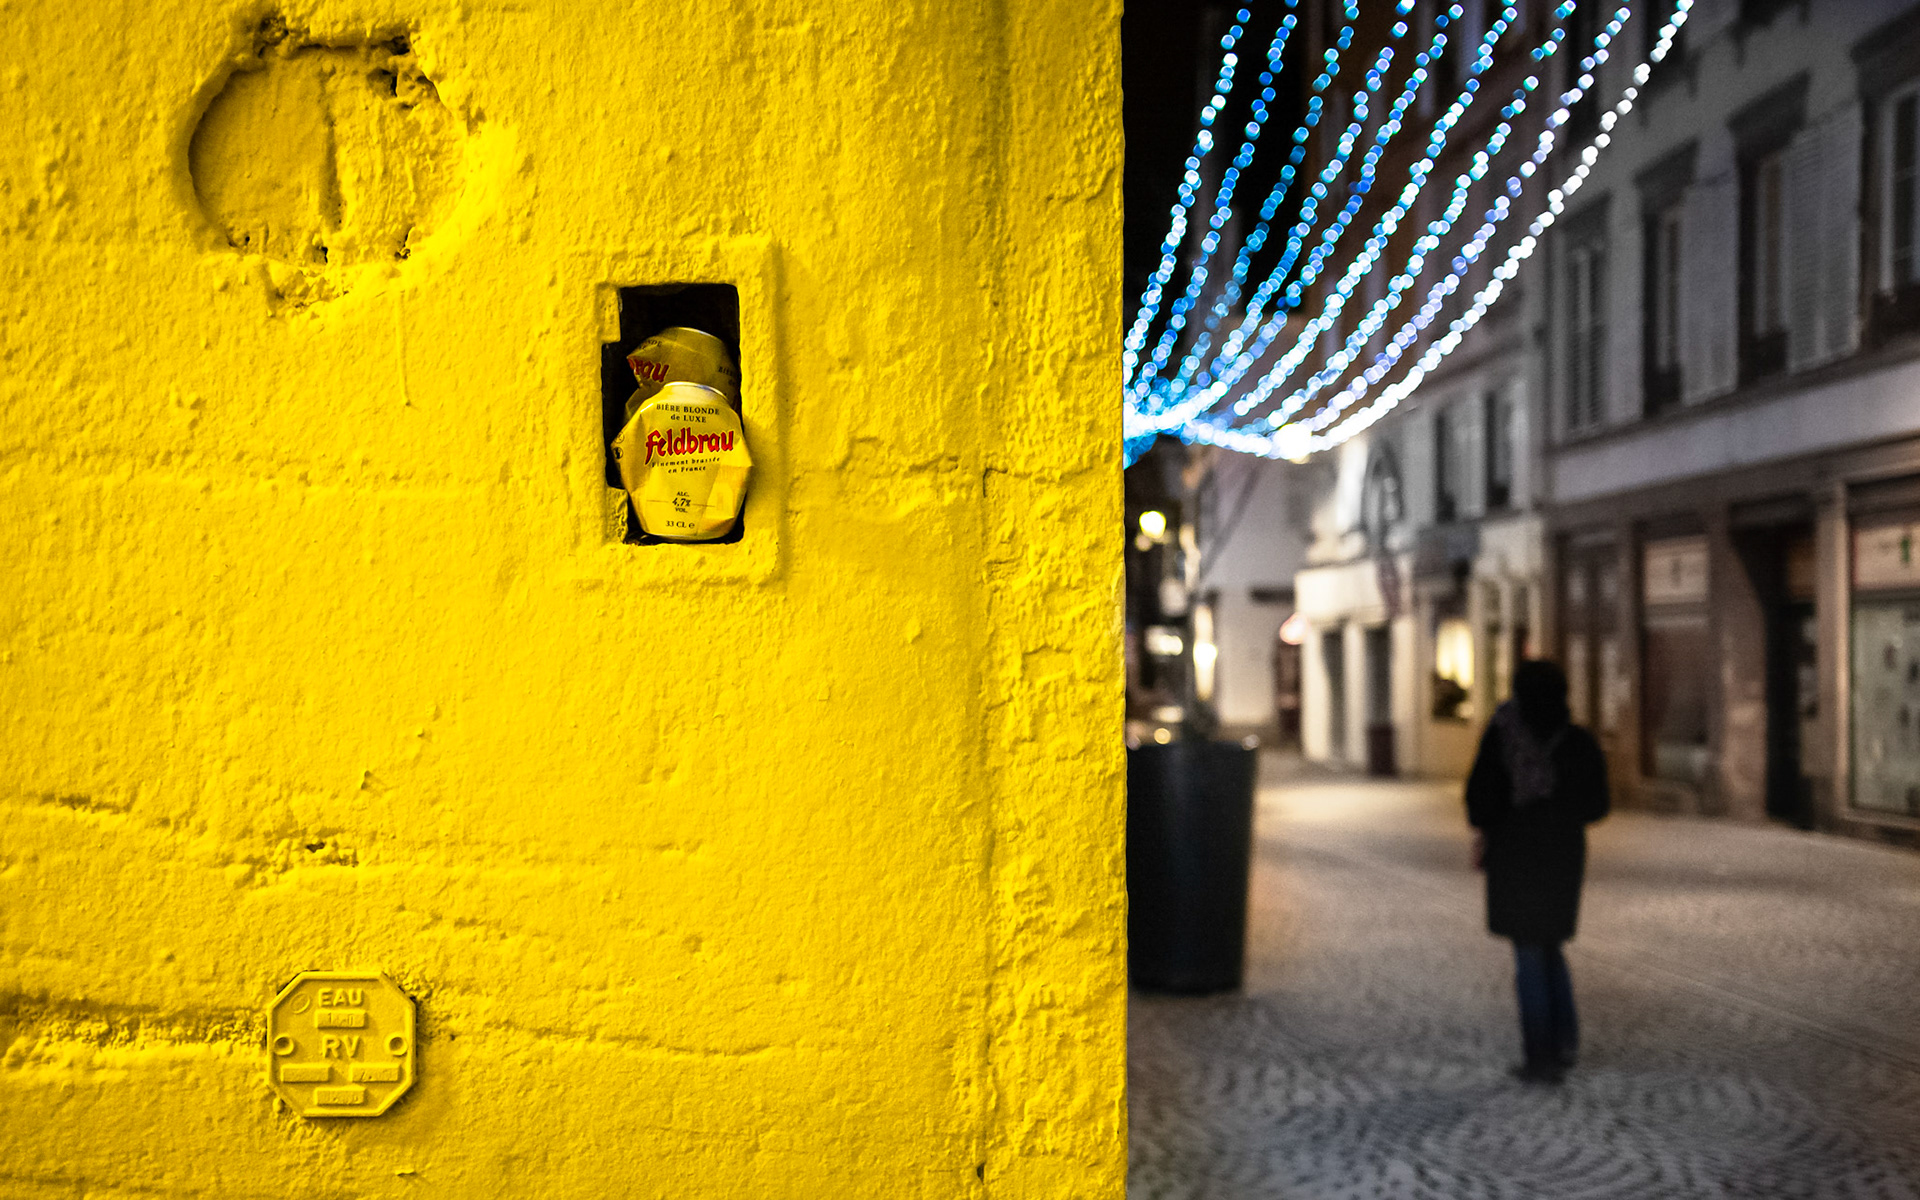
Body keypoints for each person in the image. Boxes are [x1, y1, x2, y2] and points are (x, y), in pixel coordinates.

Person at [1465, 659, 1610, 1084]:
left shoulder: (1502, 737)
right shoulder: (1579, 742)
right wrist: (1561, 811)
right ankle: (1564, 1042)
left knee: (1529, 952)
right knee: (1551, 946)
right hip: (1563, 855)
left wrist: (1506, 815)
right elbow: (1598, 805)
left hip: (1515, 854)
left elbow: (1478, 800)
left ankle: (1539, 1056)